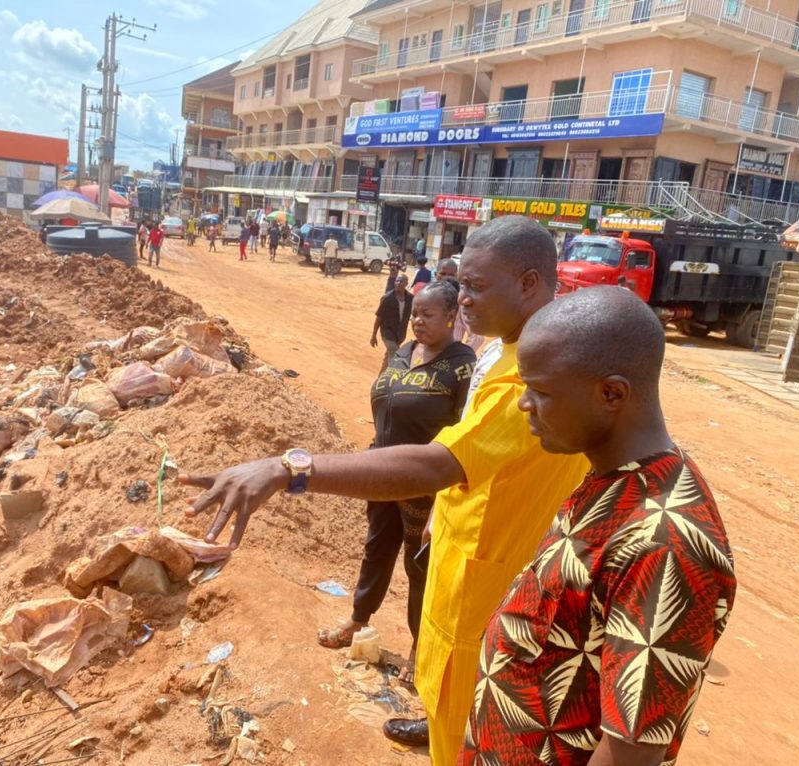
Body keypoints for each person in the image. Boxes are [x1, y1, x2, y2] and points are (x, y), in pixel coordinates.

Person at [180, 216, 589, 765]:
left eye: (476, 286)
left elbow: (437, 464)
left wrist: (291, 469)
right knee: (446, 695)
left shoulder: (531, 372)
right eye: (459, 284)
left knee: (472, 724)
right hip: (461, 548)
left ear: (530, 283)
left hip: (488, 577)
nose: (461, 298)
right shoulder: (507, 346)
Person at [459, 286, 736, 766]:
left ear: (612, 394)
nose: (525, 404)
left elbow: (631, 751)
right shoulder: (614, 477)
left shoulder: (663, 544)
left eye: (541, 391)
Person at [317, 281, 476, 682]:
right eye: (415, 314)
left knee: (420, 567)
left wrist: (442, 504)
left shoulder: (462, 365)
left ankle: (420, 645)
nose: (418, 321)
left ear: (451, 317)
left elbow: (463, 434)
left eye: (428, 315)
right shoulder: (402, 353)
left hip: (425, 484)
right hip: (383, 473)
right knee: (376, 549)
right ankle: (357, 619)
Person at [436, 258, 484, 353]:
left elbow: (477, 337)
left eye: (451, 275)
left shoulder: (460, 301)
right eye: (443, 273)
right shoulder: (427, 297)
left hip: (448, 358)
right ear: (436, 274)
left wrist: (460, 355)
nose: (446, 277)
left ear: (457, 276)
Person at [370, 273, 412, 371]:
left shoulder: (410, 298)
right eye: (397, 280)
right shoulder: (387, 298)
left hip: (400, 333)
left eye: (401, 281)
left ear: (406, 283)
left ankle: (382, 376)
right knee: (394, 352)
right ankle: (391, 377)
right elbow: (379, 317)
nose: (398, 283)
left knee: (390, 354)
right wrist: (373, 336)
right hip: (387, 332)